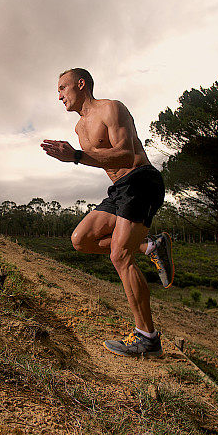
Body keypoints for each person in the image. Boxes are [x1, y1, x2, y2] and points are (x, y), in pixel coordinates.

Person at [41, 68, 174, 358]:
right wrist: (73, 155)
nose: (59, 95)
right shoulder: (79, 128)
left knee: (119, 254)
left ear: (81, 84)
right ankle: (150, 246)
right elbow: (103, 162)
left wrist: (75, 155)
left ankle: (148, 338)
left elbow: (126, 154)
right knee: (81, 240)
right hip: (120, 190)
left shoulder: (111, 109)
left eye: (62, 87)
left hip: (141, 180)